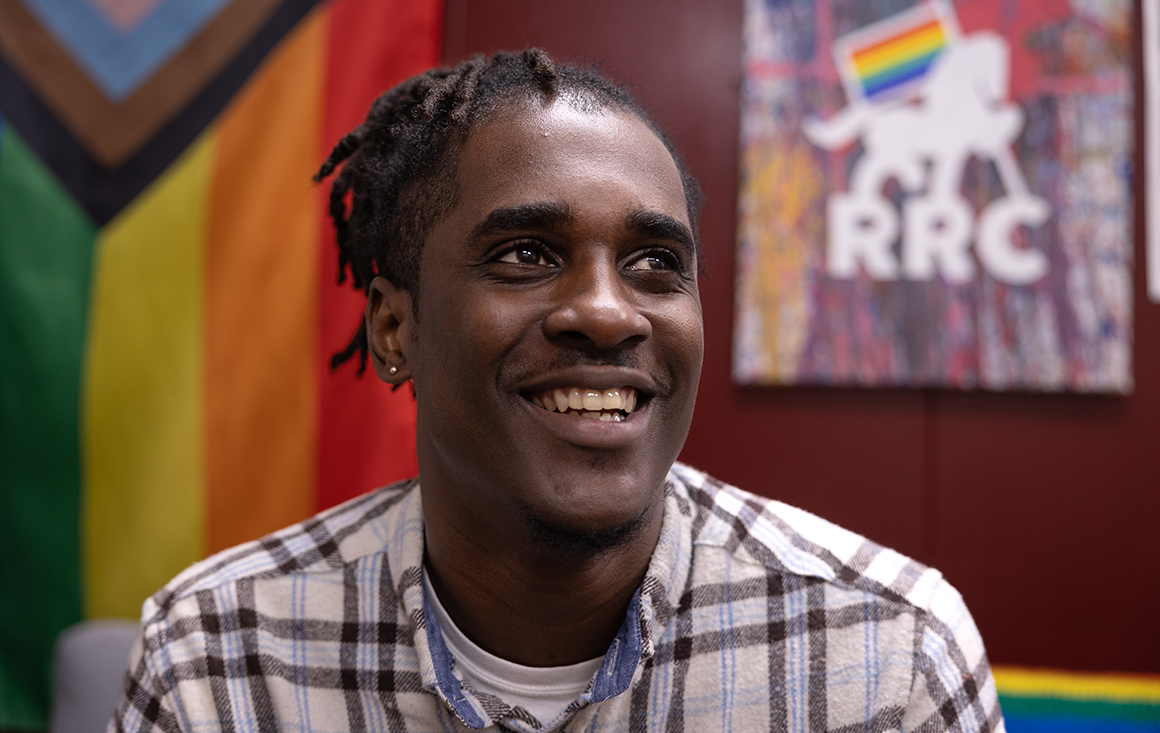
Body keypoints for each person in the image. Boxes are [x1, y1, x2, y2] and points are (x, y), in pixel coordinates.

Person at [110, 49, 1004, 733]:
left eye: (657, 263)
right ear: (394, 328)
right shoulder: (218, 662)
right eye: (526, 254)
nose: (608, 313)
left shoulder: (888, 655)